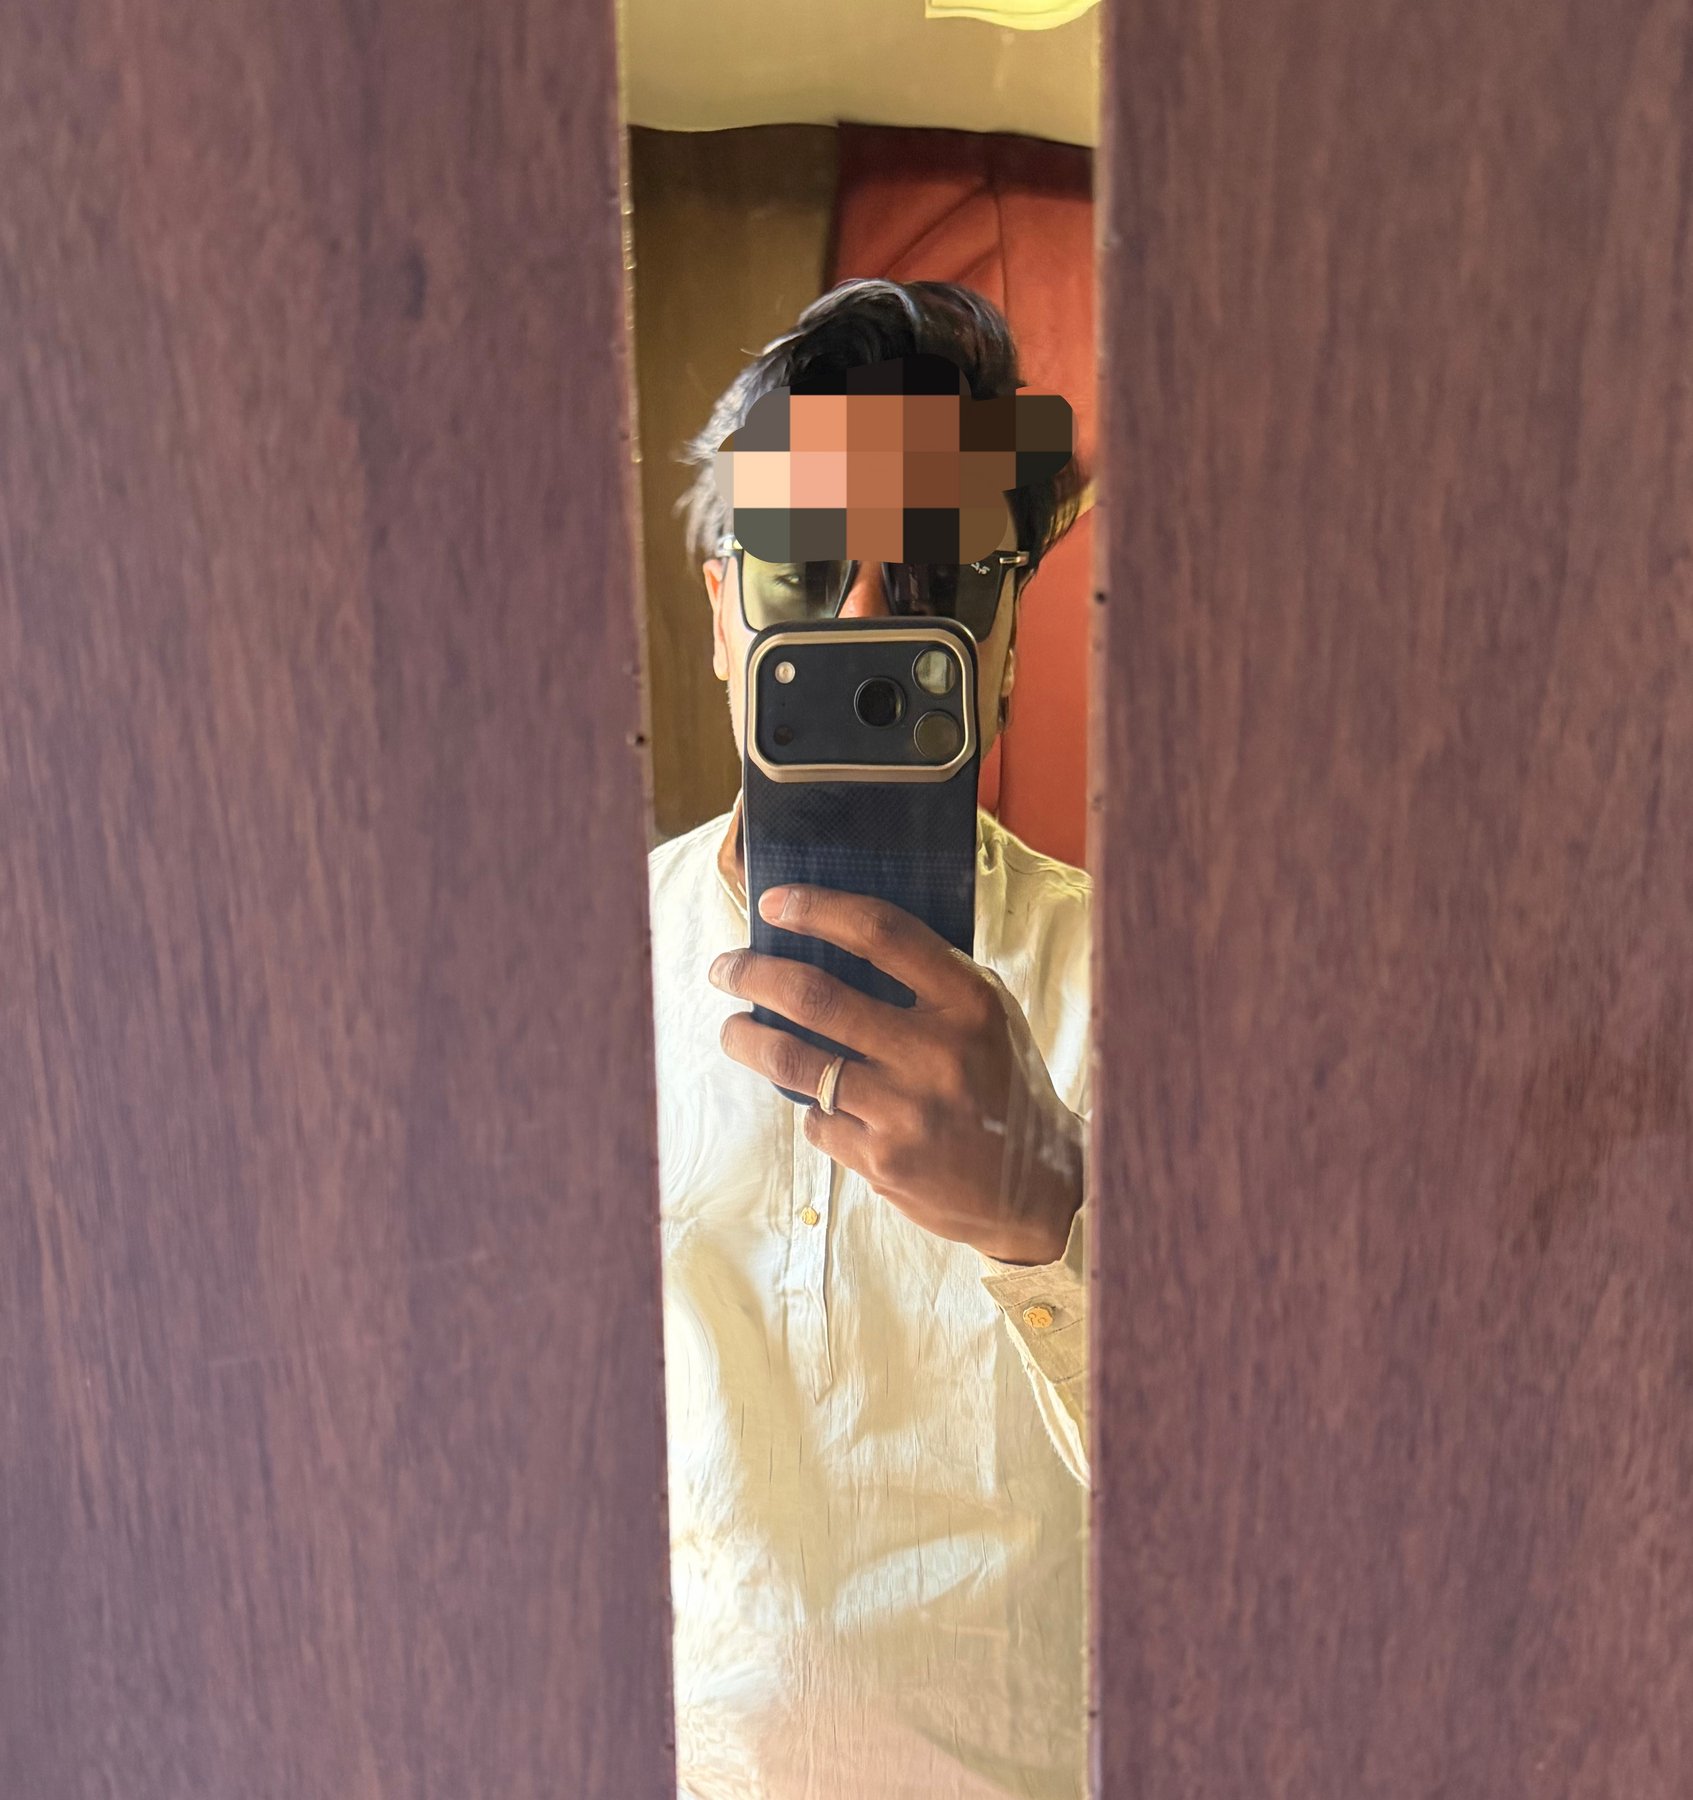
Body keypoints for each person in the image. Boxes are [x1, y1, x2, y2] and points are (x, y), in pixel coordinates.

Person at [649, 279, 1091, 1800]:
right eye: (801, 563)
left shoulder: (1150, 989)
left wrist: (1054, 1219)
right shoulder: (553, 987)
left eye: (936, 574)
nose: (863, 622)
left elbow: (1272, 1508)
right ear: (720, 608)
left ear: (1007, 636)